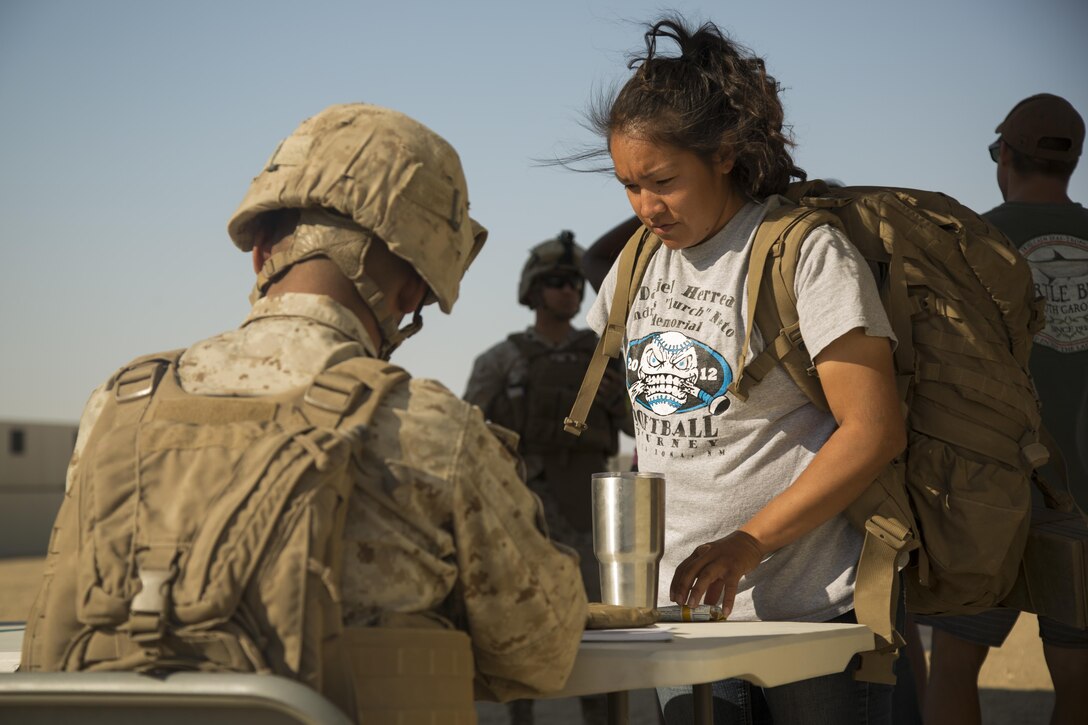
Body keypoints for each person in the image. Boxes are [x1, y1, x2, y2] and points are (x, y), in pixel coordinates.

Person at [21, 103, 588, 705]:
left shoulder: (116, 403)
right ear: (413, 289)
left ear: (261, 252)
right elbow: (540, 654)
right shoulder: (432, 431)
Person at [576, 16, 905, 725]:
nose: (644, 206)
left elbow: (874, 429)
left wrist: (748, 543)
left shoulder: (805, 254)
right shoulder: (632, 265)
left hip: (811, 615)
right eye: (628, 184)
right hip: (682, 619)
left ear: (723, 154)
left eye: (662, 181)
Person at [921, 93, 1088, 725]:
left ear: (1005, 157)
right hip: (1084, 493)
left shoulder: (969, 243)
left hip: (983, 493)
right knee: (1078, 673)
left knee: (956, 664)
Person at [464, 231, 633, 725]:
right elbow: (471, 439)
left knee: (599, 632)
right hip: (524, 516)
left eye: (574, 283)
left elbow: (638, 423)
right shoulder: (501, 360)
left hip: (593, 520)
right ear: (534, 292)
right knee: (521, 630)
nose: (568, 292)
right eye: (556, 282)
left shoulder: (603, 358)